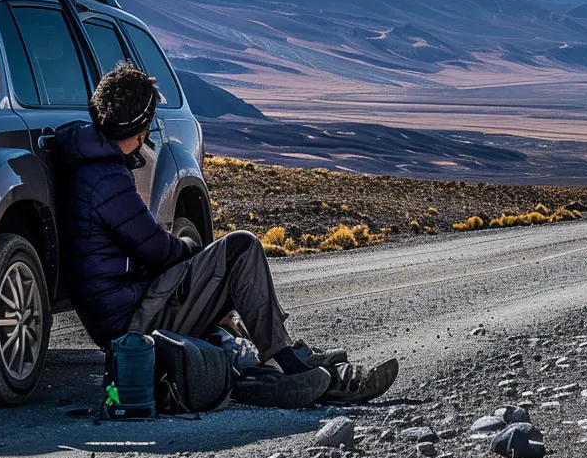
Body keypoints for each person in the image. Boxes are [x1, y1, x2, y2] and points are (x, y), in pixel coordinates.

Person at [55, 64, 397, 408]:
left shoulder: (93, 165)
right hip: (132, 322)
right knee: (240, 247)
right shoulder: (106, 179)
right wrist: (191, 248)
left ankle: (289, 358)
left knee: (223, 278)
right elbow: (158, 250)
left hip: (128, 310)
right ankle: (289, 361)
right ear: (141, 127)